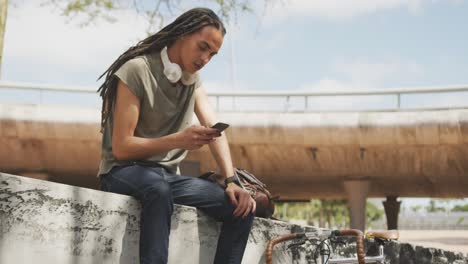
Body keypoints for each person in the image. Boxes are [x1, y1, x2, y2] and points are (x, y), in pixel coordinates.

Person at [96, 7, 256, 264]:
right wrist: (178, 140)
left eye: (212, 54)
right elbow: (122, 148)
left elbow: (216, 130)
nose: (205, 58)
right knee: (157, 190)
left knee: (241, 210)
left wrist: (231, 181)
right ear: (182, 34)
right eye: (202, 47)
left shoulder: (193, 81)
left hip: (166, 179)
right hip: (121, 171)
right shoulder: (136, 70)